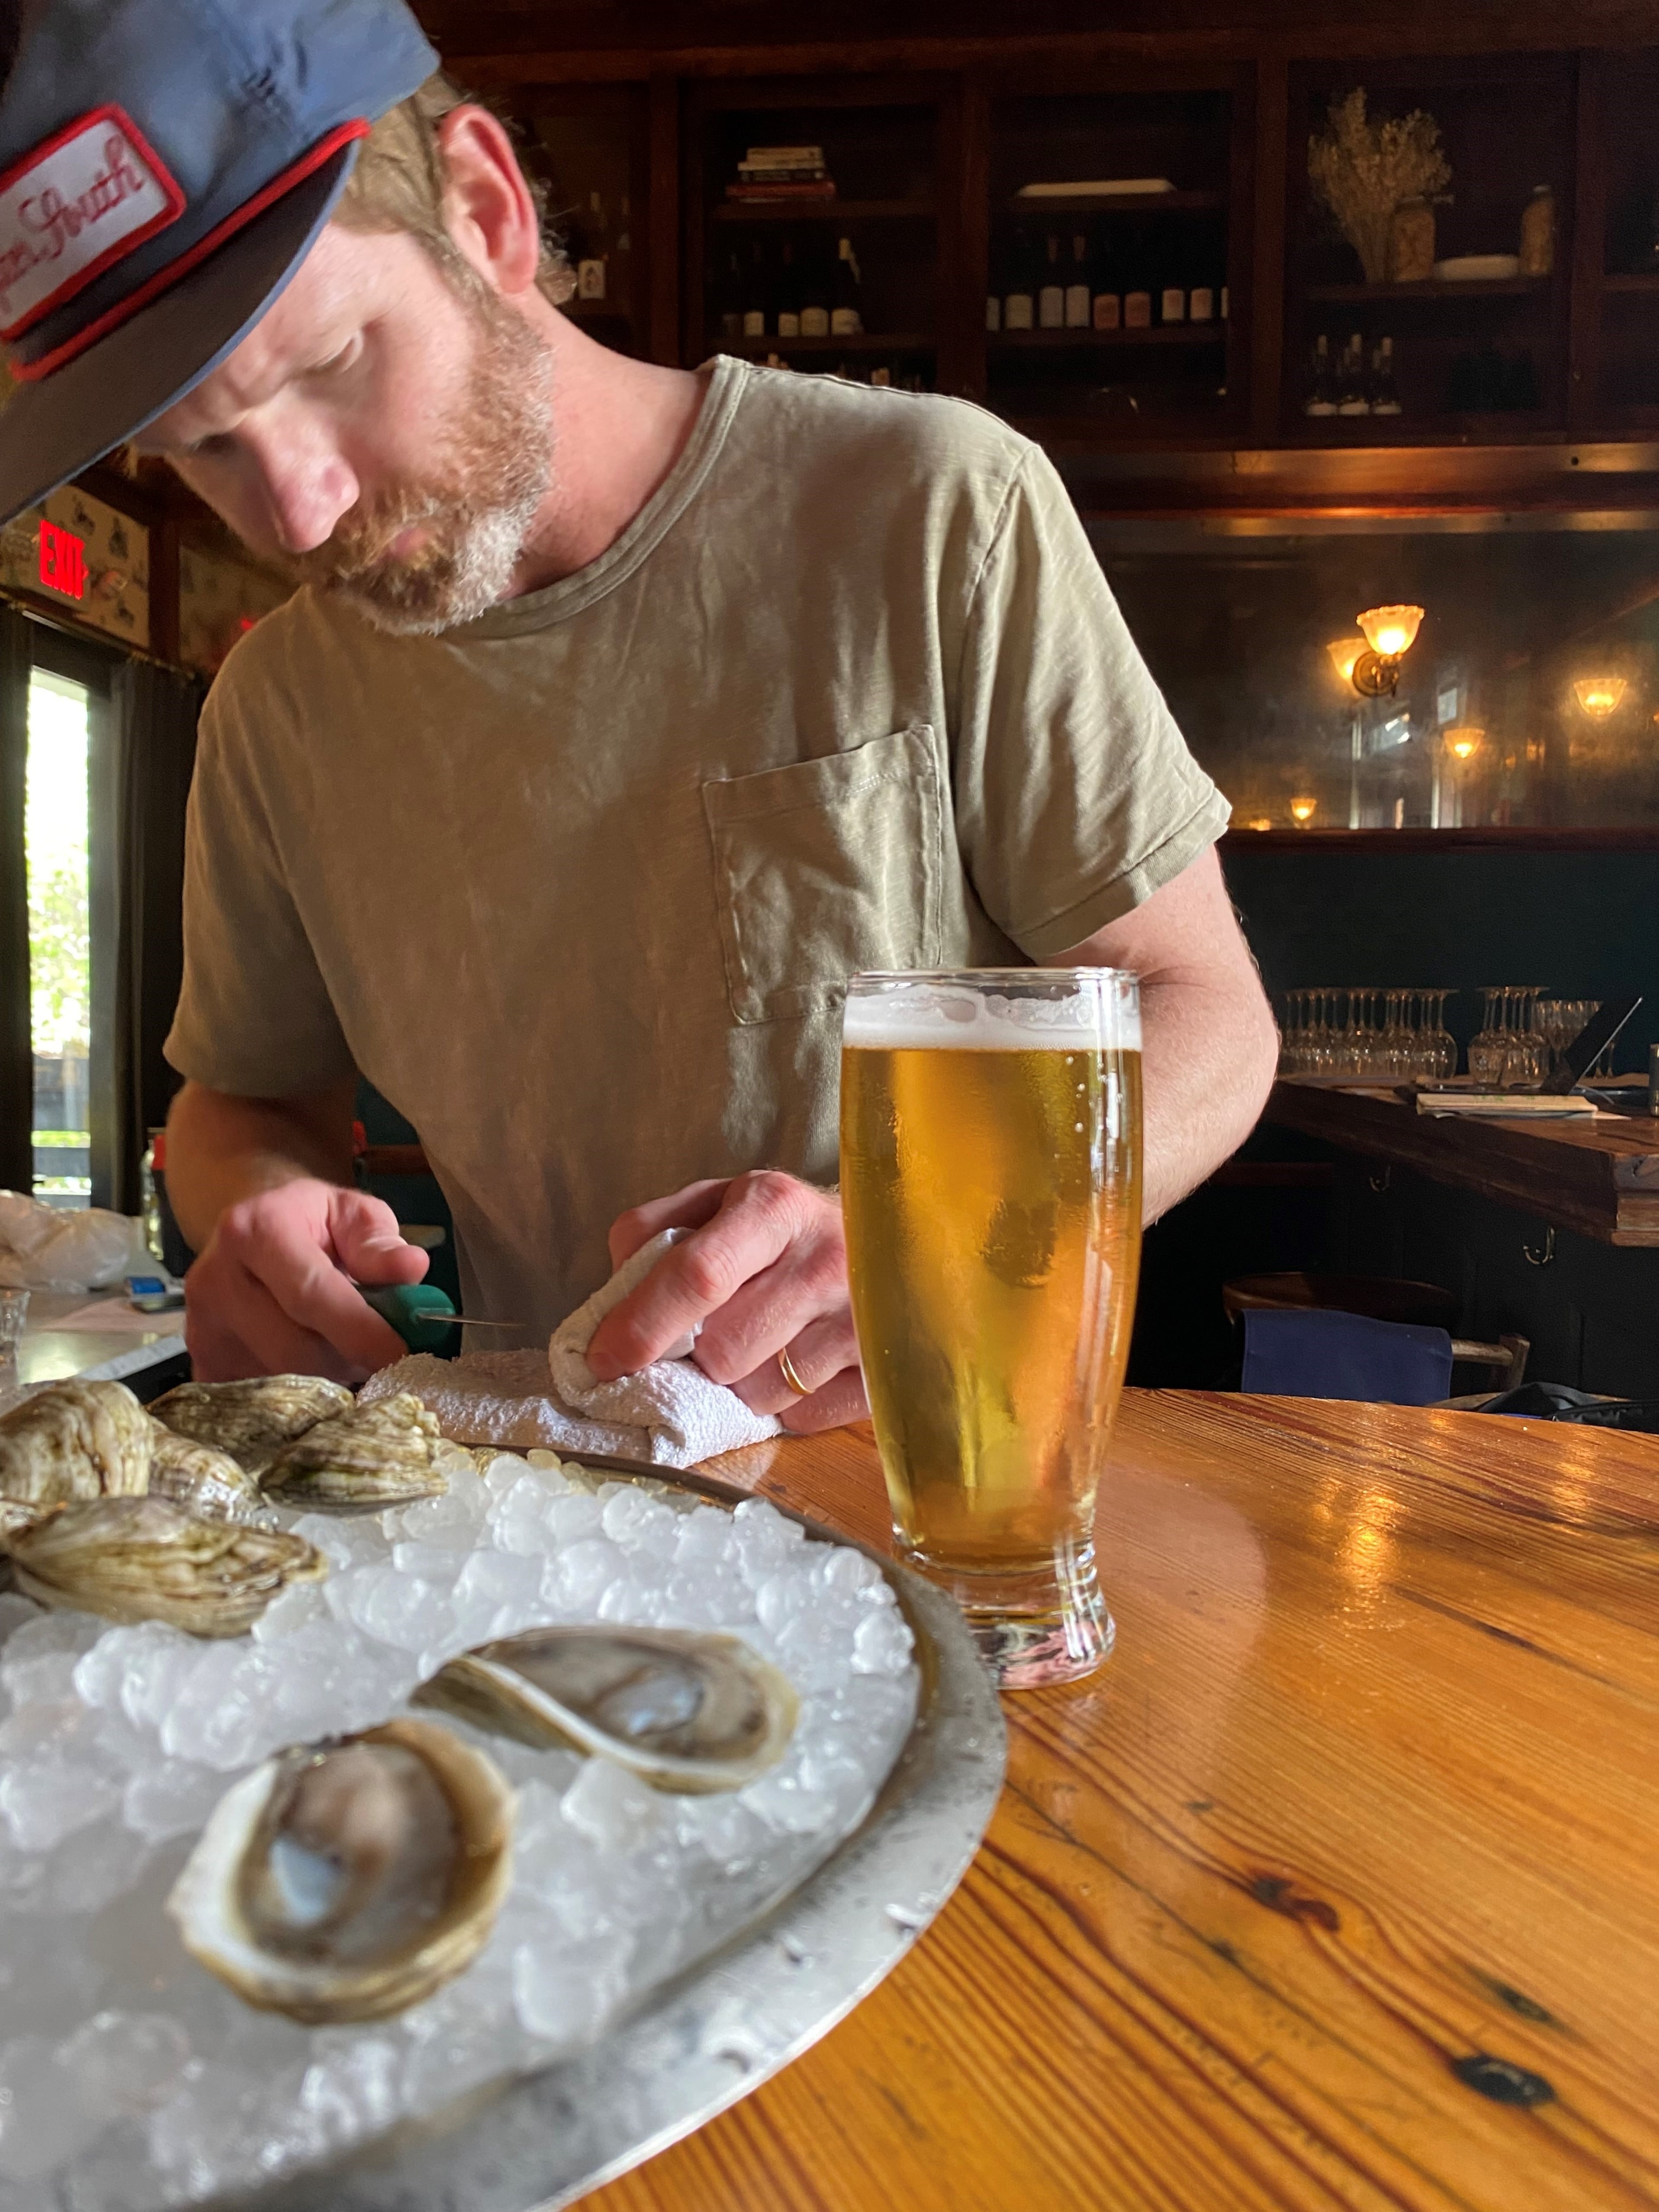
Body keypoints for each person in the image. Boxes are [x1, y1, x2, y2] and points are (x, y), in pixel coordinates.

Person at [0, 0, 1278, 1428]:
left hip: (938, 1491)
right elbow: (246, 1104)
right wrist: (262, 1208)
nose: (298, 508)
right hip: (536, 1518)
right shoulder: (274, 706)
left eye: (328, 366)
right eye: (206, 450)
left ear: (487, 212)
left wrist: (942, 1235)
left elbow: (1209, 1017)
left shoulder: (926, 511)